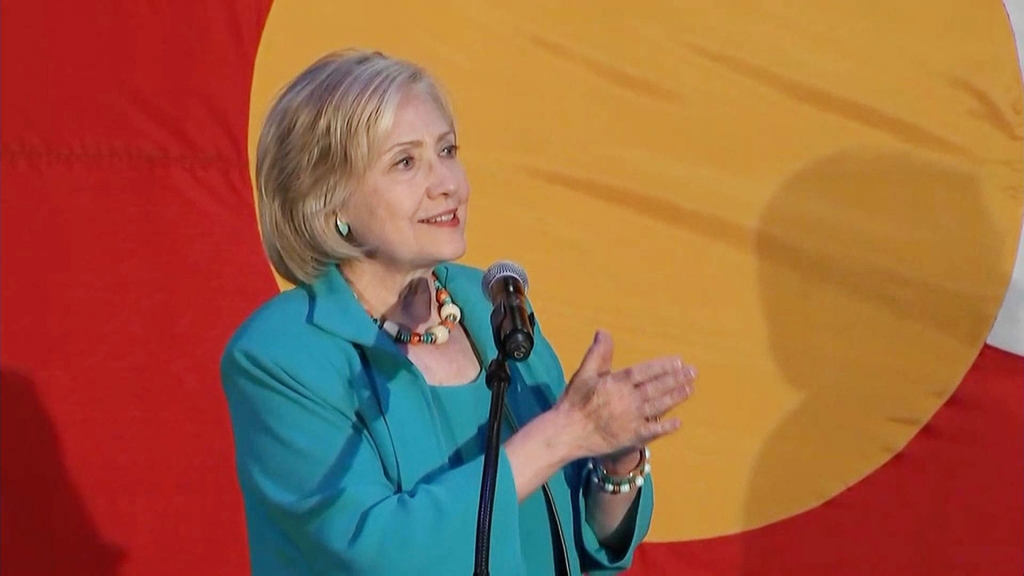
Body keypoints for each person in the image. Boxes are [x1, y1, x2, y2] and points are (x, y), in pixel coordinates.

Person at [221, 49, 697, 575]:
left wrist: (615, 459)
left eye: (447, 150)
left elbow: (582, 544)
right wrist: (563, 434)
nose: (449, 182)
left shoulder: (495, 304)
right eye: (406, 162)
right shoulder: (282, 355)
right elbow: (377, 553)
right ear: (330, 205)